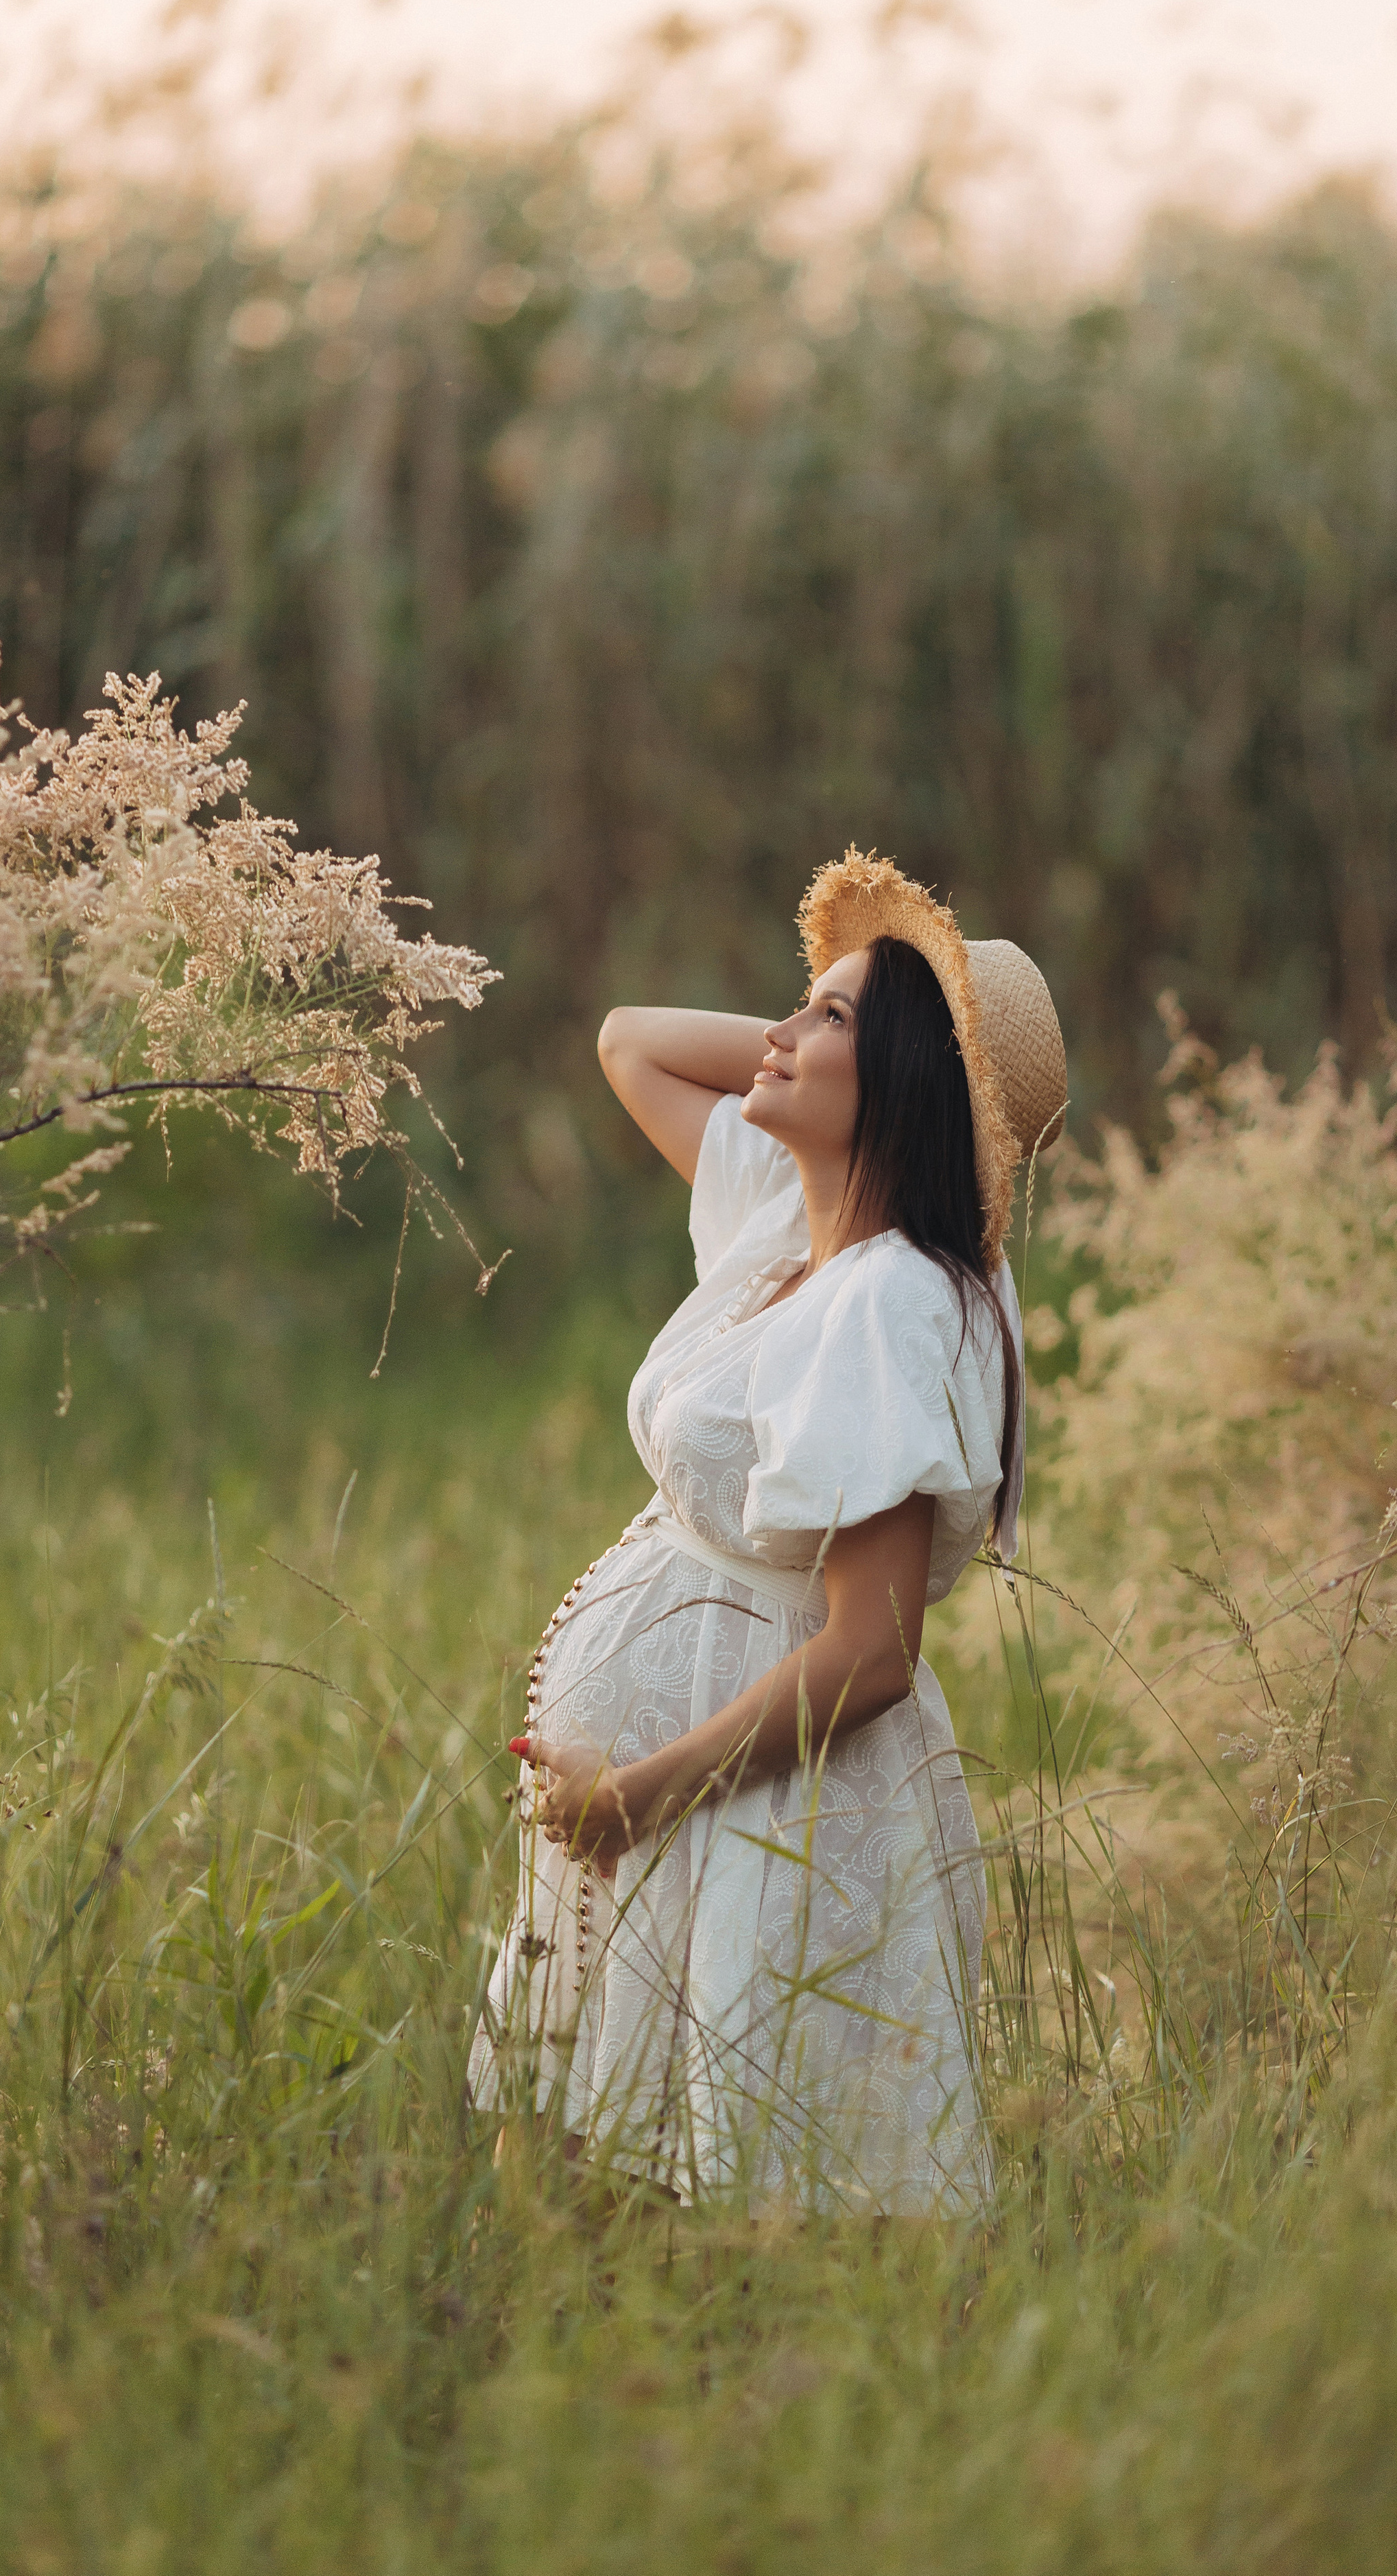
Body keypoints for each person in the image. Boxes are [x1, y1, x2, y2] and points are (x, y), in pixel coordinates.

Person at [468, 849, 1066, 2212]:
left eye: (827, 1020)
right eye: (792, 1009)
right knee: (611, 2190)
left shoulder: (893, 1301)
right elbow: (632, 1042)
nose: (778, 1034)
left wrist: (638, 1795)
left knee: (741, 2198)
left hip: (758, 1794)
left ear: (908, 1086)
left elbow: (870, 1648)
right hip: (679, 1783)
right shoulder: (777, 1231)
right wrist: (833, 1034)